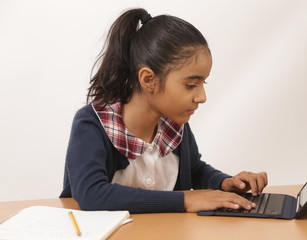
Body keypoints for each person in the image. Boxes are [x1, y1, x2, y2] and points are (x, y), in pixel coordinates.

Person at [60, 8, 268, 213]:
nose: (202, 97)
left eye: (203, 83)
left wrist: (225, 182)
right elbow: (92, 194)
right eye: (190, 85)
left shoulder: (174, 124)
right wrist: (184, 200)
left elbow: (194, 169)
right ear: (149, 80)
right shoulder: (93, 124)